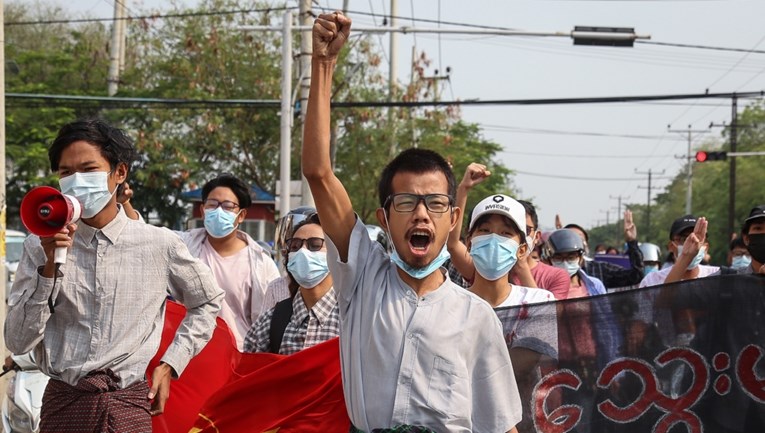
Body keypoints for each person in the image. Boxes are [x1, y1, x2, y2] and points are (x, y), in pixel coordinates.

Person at [303, 12, 521, 433]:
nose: (421, 213)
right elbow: (318, 173)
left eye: (435, 203)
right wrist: (323, 65)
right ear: (384, 217)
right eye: (407, 202)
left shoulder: (476, 317)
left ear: (453, 218)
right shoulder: (362, 277)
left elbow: (501, 425)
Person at [4, 118, 223, 432]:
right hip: (64, 406)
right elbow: (17, 340)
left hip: (127, 406)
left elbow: (208, 302)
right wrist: (49, 269)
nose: (77, 181)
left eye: (89, 169)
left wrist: (171, 363)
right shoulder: (38, 245)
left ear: (119, 173)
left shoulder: (159, 244)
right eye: (67, 172)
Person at [177, 173, 280, 351]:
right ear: (202, 210)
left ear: (241, 215)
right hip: (189, 356)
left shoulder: (261, 263)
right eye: (212, 204)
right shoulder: (183, 246)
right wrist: (124, 203)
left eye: (228, 206)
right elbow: (145, 235)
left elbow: (275, 318)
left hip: (239, 358)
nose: (218, 211)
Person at [243, 213, 339, 354]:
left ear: (336, 254)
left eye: (315, 245)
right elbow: (250, 371)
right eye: (295, 246)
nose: (303, 252)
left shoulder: (353, 318)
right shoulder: (270, 322)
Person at [558, 213, 644, 289]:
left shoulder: (599, 270)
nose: (573, 243)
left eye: (579, 238)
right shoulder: (551, 271)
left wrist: (632, 242)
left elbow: (636, 276)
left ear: (585, 246)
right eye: (569, 238)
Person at [639, 215, 719, 287]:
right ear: (671, 246)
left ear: (706, 248)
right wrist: (685, 257)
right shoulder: (652, 281)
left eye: (698, 238)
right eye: (683, 239)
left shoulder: (718, 277)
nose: (692, 244)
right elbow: (662, 302)